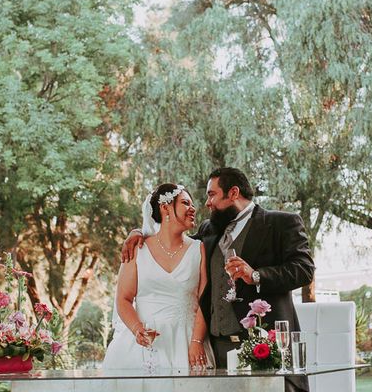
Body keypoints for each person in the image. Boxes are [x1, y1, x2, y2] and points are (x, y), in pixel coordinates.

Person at [123, 168, 314, 392]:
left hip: (263, 344)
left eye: (212, 195)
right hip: (217, 349)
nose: (207, 203)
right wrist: (140, 232)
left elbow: (304, 269)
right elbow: (173, 245)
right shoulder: (209, 229)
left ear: (233, 193)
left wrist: (255, 275)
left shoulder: (281, 223)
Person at [102, 183, 214, 370]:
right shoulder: (137, 249)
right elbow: (124, 299)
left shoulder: (198, 249)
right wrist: (138, 330)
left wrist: (196, 341)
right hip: (144, 344)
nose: (193, 209)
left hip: (187, 342)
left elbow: (204, 301)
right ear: (165, 207)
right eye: (186, 203)